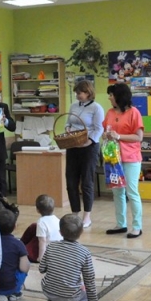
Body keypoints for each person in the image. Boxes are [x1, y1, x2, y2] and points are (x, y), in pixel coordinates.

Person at [39, 214, 108, 301]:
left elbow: (41, 269)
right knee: (83, 287)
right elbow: (89, 279)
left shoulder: (51, 246)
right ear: (81, 232)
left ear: (60, 232)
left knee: (52, 283)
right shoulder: (84, 252)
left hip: (48, 292)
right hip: (71, 296)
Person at [103, 83, 144, 238]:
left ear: (119, 96)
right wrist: (105, 135)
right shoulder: (109, 113)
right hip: (113, 158)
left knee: (132, 192)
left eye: (111, 95)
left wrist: (119, 136)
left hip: (131, 158)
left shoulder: (134, 113)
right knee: (117, 192)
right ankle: (121, 224)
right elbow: (106, 130)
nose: (109, 98)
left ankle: (137, 227)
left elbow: (139, 137)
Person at [64, 80, 104, 228]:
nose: (77, 95)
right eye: (76, 93)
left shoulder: (96, 108)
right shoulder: (73, 106)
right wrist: (67, 129)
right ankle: (75, 213)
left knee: (86, 182)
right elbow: (68, 122)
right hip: (73, 146)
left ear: (88, 92)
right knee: (71, 181)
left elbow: (99, 128)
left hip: (89, 148)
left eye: (79, 93)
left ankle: (87, 216)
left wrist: (89, 141)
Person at [0, 209, 30, 301]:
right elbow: (24, 268)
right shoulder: (18, 244)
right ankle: (15, 293)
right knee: (25, 266)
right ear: (15, 226)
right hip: (9, 287)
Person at [20, 195, 62, 262]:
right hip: (58, 249)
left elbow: (42, 241)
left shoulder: (41, 222)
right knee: (34, 226)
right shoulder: (57, 219)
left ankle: (20, 245)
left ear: (37, 210)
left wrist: (41, 258)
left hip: (48, 251)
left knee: (23, 251)